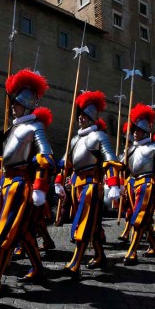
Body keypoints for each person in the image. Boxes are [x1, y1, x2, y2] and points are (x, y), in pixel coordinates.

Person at [0, 69, 55, 291]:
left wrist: (40, 187)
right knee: (22, 232)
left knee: (8, 232)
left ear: (28, 104)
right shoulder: (14, 128)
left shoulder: (35, 127)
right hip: (8, 184)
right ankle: (39, 269)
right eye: (13, 102)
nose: (13, 106)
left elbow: (46, 159)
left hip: (22, 187)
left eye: (17, 103)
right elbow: (5, 160)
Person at [54, 91, 121, 278]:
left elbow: (111, 162)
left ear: (92, 117)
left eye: (84, 115)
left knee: (83, 224)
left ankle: (76, 262)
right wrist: (59, 181)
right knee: (94, 224)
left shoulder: (100, 137)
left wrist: (114, 184)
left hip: (91, 187)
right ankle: (100, 255)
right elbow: (65, 164)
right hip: (76, 187)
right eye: (79, 115)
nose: (81, 118)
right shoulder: (74, 139)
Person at [122, 104, 155, 265]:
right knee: (136, 216)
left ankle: (132, 252)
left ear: (145, 131)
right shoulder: (130, 149)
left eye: (138, 130)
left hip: (147, 184)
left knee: (139, 217)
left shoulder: (154, 147)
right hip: (132, 184)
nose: (135, 133)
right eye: (134, 130)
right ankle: (153, 246)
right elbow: (122, 166)